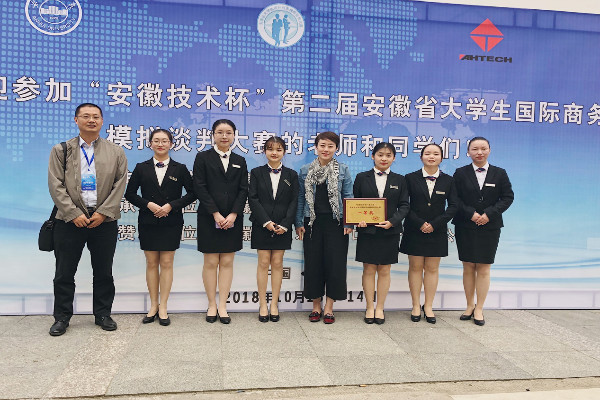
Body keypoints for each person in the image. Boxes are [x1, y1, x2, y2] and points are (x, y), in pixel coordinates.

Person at [47, 103, 127, 336]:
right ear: (76, 120)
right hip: (69, 221)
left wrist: (104, 212)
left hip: (104, 221)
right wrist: (73, 213)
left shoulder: (116, 151)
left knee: (103, 271)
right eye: (85, 116)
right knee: (64, 273)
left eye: (96, 117)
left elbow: (120, 184)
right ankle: (62, 317)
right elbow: (55, 184)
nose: (91, 120)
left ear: (102, 121)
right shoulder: (61, 150)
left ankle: (103, 314)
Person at [125, 128, 195, 326]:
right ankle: (153, 305)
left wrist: (172, 205)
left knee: (166, 263)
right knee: (151, 263)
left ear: (171, 144)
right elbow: (130, 194)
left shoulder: (180, 168)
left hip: (171, 221)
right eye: (156, 140)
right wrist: (148, 204)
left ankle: (163, 306)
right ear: (150, 144)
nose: (161, 144)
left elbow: (193, 193)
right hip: (148, 221)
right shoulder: (141, 167)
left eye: (165, 141)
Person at [452, 137, 514, 326]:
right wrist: (470, 214)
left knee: (484, 267)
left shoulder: (499, 173)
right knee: (468, 266)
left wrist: (489, 214)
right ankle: (469, 305)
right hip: (465, 224)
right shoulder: (460, 173)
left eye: (483, 148)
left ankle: (479, 308)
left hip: (490, 226)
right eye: (475, 149)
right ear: (468, 152)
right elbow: (454, 198)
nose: (479, 152)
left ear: (489, 150)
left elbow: (508, 197)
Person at [193, 119, 248, 324]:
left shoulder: (240, 160)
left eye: (228, 132)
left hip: (232, 219)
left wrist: (233, 214)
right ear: (213, 135)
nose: (224, 136)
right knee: (210, 262)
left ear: (234, 135)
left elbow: (243, 189)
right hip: (209, 217)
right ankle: (211, 304)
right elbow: (199, 186)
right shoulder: (202, 157)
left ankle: (223, 305)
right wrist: (215, 213)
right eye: (220, 132)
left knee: (226, 262)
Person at [295, 131, 353, 324]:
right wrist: (298, 222)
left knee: (335, 265)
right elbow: (301, 197)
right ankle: (316, 306)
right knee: (313, 264)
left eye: (330, 146)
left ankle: (329, 307)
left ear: (336, 148)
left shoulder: (343, 170)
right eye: (322, 145)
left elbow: (348, 196)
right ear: (316, 147)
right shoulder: (305, 170)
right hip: (312, 223)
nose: (326, 149)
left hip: (337, 223)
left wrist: (349, 222)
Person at [400, 144, 458, 324]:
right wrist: (420, 223)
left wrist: (435, 224)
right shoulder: (410, 178)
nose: (431, 156)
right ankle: (415, 305)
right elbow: (404, 204)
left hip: (437, 230)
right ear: (421, 157)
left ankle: (429, 306)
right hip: (414, 228)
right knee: (415, 267)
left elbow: (453, 206)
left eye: (436, 154)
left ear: (441, 157)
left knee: (432, 269)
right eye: (427, 153)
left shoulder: (449, 180)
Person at [353, 142, 409, 325]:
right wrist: (358, 219)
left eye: (388, 155)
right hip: (367, 231)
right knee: (369, 269)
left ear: (394, 158)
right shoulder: (362, 177)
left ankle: (380, 308)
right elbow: (355, 203)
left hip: (389, 231)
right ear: (373, 156)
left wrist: (393, 221)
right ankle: (369, 307)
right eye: (380, 154)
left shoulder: (400, 180)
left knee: (384, 270)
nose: (384, 158)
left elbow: (404, 205)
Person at [248, 136, 299, 322]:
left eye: (278, 149)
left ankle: (274, 304)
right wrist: (266, 221)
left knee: (277, 263)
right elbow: (253, 198)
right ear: (264, 151)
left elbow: (294, 201)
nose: (274, 152)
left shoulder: (292, 175)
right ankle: (263, 304)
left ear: (284, 152)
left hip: (283, 226)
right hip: (262, 224)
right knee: (263, 263)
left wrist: (285, 224)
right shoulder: (256, 172)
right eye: (270, 149)